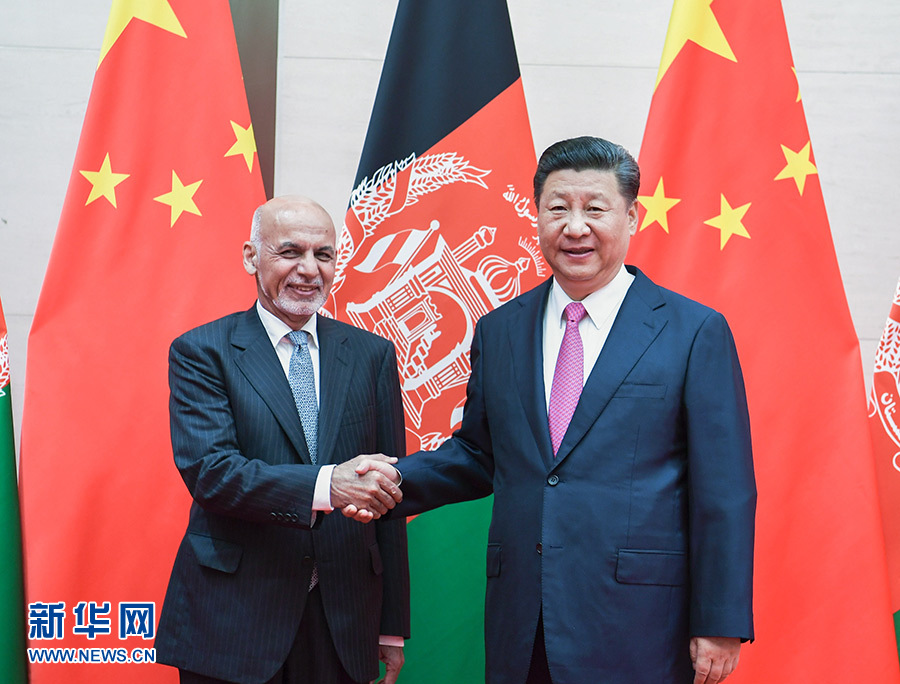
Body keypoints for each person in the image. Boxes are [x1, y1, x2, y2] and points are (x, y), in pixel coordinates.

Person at [347, 137, 756, 684]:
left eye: (595, 209)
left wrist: (720, 621)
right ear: (537, 214)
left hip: (639, 621)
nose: (575, 227)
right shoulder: (501, 330)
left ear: (631, 217)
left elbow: (723, 488)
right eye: (558, 207)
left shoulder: (692, 330)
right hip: (524, 613)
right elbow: (479, 454)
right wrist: (392, 480)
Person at [155, 196, 410, 684]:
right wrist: (327, 485)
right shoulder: (202, 352)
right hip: (235, 619)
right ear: (251, 256)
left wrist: (391, 624)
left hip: (343, 619)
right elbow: (212, 474)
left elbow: (387, 494)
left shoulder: (372, 355)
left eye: (323, 254)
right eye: (290, 252)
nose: (309, 270)